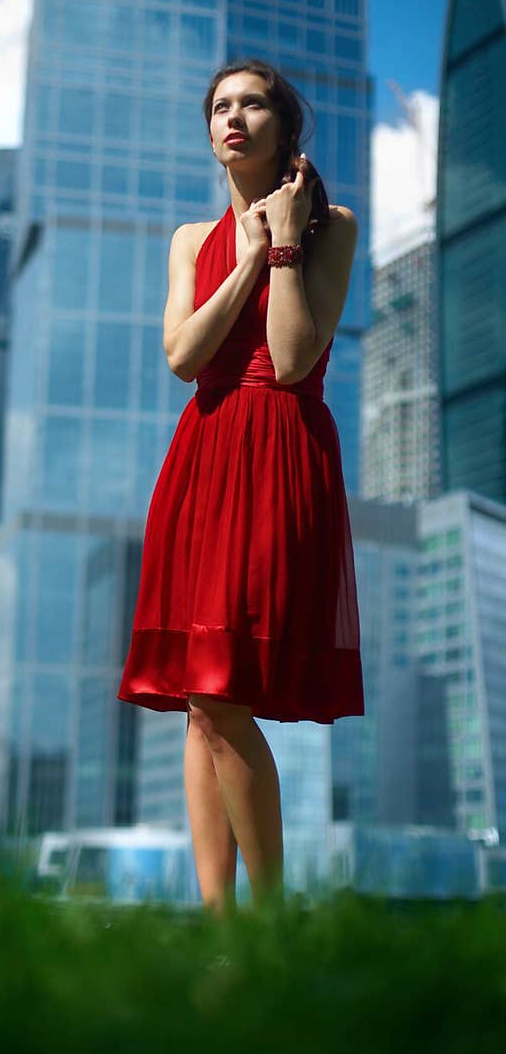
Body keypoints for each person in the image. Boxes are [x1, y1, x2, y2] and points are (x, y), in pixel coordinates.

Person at [117, 58, 364, 915]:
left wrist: (286, 245)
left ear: (283, 128)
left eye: (252, 103)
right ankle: (218, 922)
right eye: (220, 105)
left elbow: (294, 360)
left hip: (281, 449)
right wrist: (249, 257)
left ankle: (270, 922)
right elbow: (184, 357)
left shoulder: (334, 225)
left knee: (220, 691)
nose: (233, 117)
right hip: (203, 454)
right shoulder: (193, 239)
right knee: (199, 695)